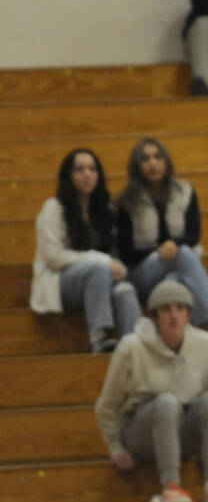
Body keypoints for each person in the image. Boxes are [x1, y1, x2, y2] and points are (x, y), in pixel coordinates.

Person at [94, 279, 208, 502]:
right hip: (143, 431)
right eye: (166, 309)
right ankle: (171, 486)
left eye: (180, 308)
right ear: (154, 316)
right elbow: (107, 404)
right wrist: (115, 448)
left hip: (185, 428)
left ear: (189, 315)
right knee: (167, 402)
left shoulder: (207, 344)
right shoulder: (131, 346)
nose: (174, 315)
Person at [31, 148, 140, 353]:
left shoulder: (105, 209)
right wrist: (101, 260)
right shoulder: (53, 207)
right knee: (96, 269)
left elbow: (114, 252)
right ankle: (97, 337)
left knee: (126, 291)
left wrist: (118, 268)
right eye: (79, 169)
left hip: (100, 281)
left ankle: (133, 350)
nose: (87, 174)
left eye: (92, 169)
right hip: (60, 281)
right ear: (68, 176)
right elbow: (54, 257)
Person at [115, 138, 208, 327]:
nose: (152, 163)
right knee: (183, 254)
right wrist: (158, 253)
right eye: (145, 159)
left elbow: (194, 234)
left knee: (175, 279)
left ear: (166, 161)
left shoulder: (185, 191)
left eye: (158, 157)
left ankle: (192, 332)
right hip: (142, 273)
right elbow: (126, 252)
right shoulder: (127, 200)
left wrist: (173, 246)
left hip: (175, 267)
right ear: (137, 166)